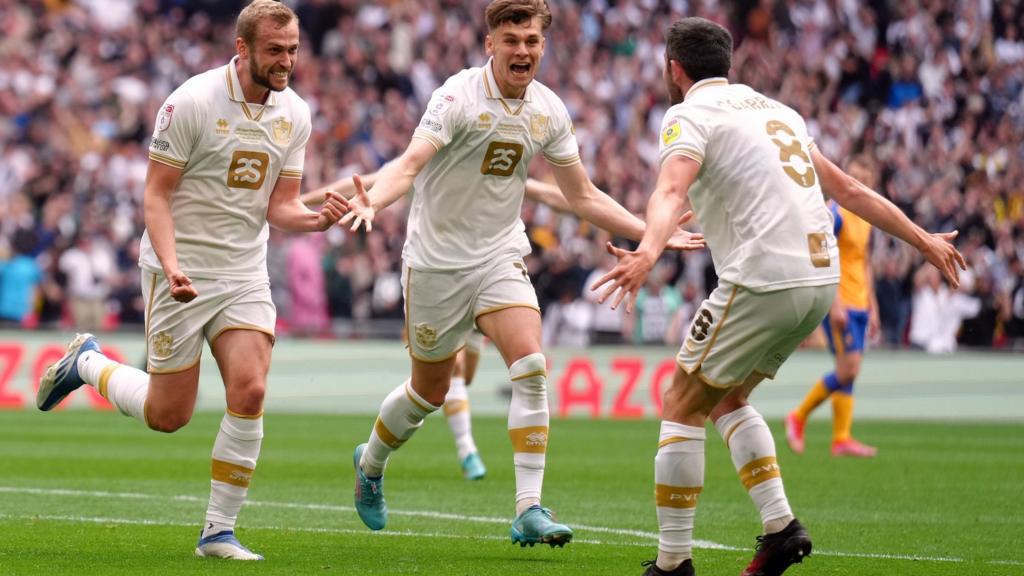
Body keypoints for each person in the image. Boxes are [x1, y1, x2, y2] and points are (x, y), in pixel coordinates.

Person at [591, 18, 964, 576]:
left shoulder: (688, 113)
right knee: (726, 398)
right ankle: (781, 529)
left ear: (675, 69)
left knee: (680, 402)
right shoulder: (777, 111)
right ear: (728, 64)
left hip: (762, 279)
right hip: (819, 281)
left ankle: (672, 564)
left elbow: (669, 188)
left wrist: (647, 251)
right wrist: (924, 240)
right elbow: (851, 190)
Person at [339, 0, 703, 547]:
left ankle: (528, 507)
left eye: (532, 40)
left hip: (498, 255)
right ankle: (369, 464)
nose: (523, 50)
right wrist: (377, 202)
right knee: (428, 392)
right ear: (490, 43)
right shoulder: (455, 96)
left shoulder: (548, 110)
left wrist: (649, 232)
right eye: (512, 40)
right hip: (436, 263)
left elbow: (580, 195)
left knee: (531, 365)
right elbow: (409, 165)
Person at [35, 0, 347, 561]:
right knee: (168, 416)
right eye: (275, 50)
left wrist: (318, 218)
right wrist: (174, 265)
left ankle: (217, 532)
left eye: (293, 50)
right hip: (178, 270)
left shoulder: (295, 113)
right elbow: (155, 195)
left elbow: (282, 206)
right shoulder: (191, 102)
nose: (287, 61)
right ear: (243, 48)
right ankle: (86, 362)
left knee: (250, 390)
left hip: (244, 271)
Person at [302, 170, 573, 482]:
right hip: (437, 275)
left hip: (487, 272)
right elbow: (370, 179)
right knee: (445, 379)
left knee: (465, 375)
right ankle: (467, 450)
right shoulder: (429, 145)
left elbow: (550, 193)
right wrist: (304, 201)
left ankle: (399, 455)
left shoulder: (492, 152)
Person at [785, 156, 882, 458]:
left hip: (861, 303)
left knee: (850, 371)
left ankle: (841, 438)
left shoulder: (866, 216)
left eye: (862, 178)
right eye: (852, 176)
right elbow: (819, 255)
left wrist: (873, 305)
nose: (856, 183)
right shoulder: (834, 213)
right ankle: (798, 416)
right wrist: (834, 302)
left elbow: (864, 262)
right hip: (840, 302)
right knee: (848, 368)